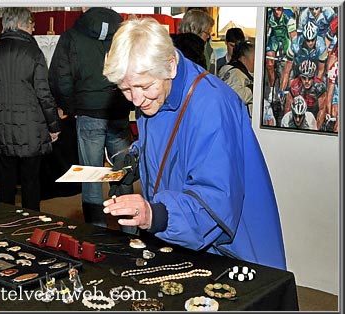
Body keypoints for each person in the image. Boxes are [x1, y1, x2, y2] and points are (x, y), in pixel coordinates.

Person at [102, 17, 287, 270]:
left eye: (144, 86)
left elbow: (213, 201)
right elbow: (172, 148)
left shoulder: (212, 105)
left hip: (228, 251)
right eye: (125, 89)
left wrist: (153, 215)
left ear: (170, 66)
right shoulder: (155, 93)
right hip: (179, 235)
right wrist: (135, 156)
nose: (136, 100)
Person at [48, 7, 135, 232]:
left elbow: (59, 77)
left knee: (91, 175)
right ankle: (130, 230)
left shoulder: (72, 36)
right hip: (118, 110)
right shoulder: (123, 34)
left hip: (88, 112)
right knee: (123, 172)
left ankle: (96, 232)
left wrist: (71, 107)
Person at [0, 7, 61, 212]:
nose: (33, 28)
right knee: (31, 181)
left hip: (2, 128)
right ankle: (30, 223)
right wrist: (54, 125)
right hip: (32, 128)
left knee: (6, 180)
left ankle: (5, 221)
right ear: (21, 24)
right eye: (31, 23)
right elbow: (44, 94)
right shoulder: (33, 53)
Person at [218, 40, 255, 118]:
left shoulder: (234, 72)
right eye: (254, 60)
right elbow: (236, 96)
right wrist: (253, 89)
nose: (256, 64)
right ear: (244, 59)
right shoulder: (235, 73)